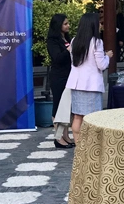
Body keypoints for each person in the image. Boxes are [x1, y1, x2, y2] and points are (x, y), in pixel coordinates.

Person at [65, 12, 112, 143]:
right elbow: (101, 65)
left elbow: (74, 61)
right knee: (94, 118)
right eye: (99, 23)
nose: (101, 25)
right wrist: (107, 56)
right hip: (91, 85)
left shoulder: (74, 40)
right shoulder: (97, 42)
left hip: (76, 83)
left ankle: (78, 144)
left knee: (77, 117)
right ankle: (92, 146)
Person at [46, 14, 75, 148]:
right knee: (58, 105)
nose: (68, 26)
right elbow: (56, 57)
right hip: (58, 76)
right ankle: (58, 138)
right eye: (65, 24)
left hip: (69, 75)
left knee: (67, 106)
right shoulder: (52, 40)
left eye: (68, 23)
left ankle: (66, 135)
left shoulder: (67, 38)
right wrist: (68, 51)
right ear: (58, 25)